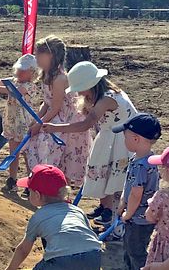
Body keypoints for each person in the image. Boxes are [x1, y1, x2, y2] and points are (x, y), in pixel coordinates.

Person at [42, 61, 135, 226]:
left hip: (122, 139)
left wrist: (56, 128)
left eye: (80, 87)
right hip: (108, 136)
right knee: (103, 171)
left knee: (115, 177)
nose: (78, 92)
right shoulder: (97, 96)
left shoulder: (107, 98)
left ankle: (113, 218)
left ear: (91, 85)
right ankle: (104, 207)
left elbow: (87, 123)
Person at [6, 164, 102, 270]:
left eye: (29, 191)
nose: (28, 195)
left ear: (37, 195)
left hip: (62, 261)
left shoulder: (38, 216)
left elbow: (23, 250)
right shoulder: (77, 211)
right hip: (93, 255)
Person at [28, 36, 87, 188]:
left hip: (66, 123)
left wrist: (40, 124)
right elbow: (47, 103)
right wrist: (36, 119)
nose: (36, 58)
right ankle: (43, 186)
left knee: (62, 160)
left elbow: (56, 108)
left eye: (38, 54)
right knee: (36, 145)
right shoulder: (46, 75)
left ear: (51, 55)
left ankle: (59, 192)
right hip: (54, 119)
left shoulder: (60, 78)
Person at [0, 54, 41, 193]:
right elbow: (1, 81)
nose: (20, 72)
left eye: (24, 70)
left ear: (32, 73)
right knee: (13, 153)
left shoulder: (30, 86)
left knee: (27, 155)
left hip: (25, 125)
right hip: (12, 123)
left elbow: (15, 92)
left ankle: (30, 182)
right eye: (19, 69)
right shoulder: (15, 80)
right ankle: (12, 180)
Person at [113, 113, 162, 270]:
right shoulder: (149, 159)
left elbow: (136, 193)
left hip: (137, 219)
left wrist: (127, 214)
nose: (124, 140)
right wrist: (122, 201)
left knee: (135, 251)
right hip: (142, 217)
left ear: (135, 139)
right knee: (131, 248)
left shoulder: (140, 166)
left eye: (125, 136)